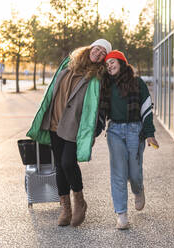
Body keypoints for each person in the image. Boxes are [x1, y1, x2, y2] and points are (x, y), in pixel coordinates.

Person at [26, 39, 112, 227]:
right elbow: (51, 92)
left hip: (75, 126)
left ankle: (79, 201)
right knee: (59, 165)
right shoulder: (68, 65)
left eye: (102, 54)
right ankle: (66, 207)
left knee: (68, 162)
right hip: (55, 122)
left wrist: (96, 129)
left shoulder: (98, 77)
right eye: (96, 49)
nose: (97, 54)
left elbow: (102, 105)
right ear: (89, 48)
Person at [100, 50, 159, 229]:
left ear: (122, 62)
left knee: (134, 173)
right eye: (107, 63)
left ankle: (138, 189)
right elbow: (98, 110)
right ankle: (121, 215)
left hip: (135, 130)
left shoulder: (137, 82)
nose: (109, 65)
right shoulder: (105, 85)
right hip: (115, 131)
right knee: (118, 173)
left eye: (112, 62)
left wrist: (149, 134)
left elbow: (146, 109)